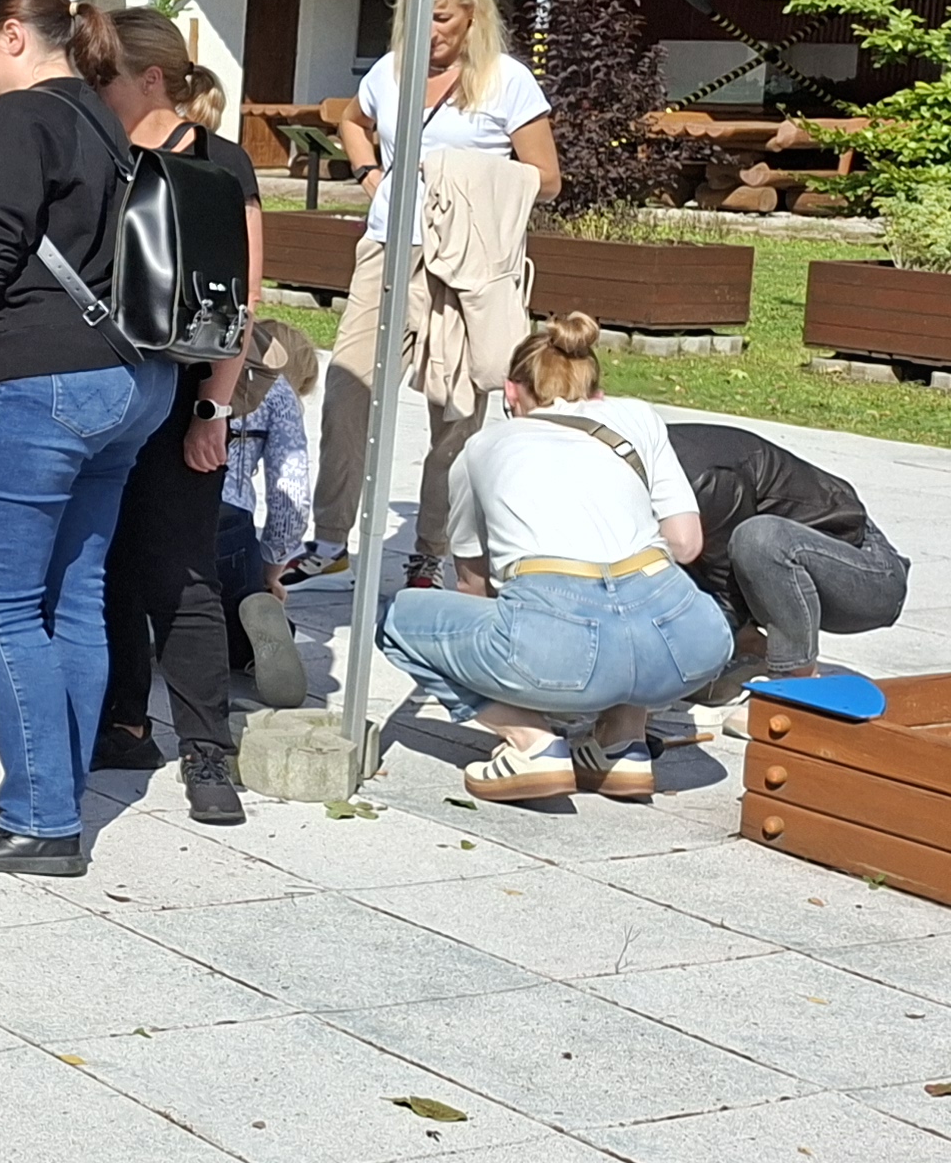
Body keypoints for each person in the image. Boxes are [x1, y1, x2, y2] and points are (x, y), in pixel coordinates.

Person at [0, 0, 171, 876]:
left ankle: (41, 817)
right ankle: (51, 780)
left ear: (13, 35)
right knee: (75, 597)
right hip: (126, 379)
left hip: (34, 384)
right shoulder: (103, 114)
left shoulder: (17, 120)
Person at [378, 312, 731, 801]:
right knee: (635, 589)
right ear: (595, 391)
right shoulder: (637, 417)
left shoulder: (481, 447)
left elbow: (471, 588)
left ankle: (531, 742)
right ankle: (621, 742)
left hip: (560, 636)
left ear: (511, 392)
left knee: (396, 621)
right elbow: (687, 543)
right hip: (691, 644)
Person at [301, 0, 559, 588]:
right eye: (419, 17)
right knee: (349, 385)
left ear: (472, 14)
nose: (430, 31)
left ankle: (431, 550)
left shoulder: (507, 81)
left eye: (441, 18)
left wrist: (460, 179)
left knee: (456, 408)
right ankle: (331, 536)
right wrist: (370, 174)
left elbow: (546, 179)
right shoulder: (392, 71)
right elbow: (351, 120)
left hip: (466, 261)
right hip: (388, 247)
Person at [90, 8, 259, 825]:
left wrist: (212, 411)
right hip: (102, 386)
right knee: (108, 561)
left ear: (151, 78)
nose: (93, 89)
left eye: (104, 76)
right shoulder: (98, 151)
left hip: (185, 390)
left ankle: (206, 747)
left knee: (181, 571)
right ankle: (123, 722)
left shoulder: (221, 164)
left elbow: (241, 301)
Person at [671, 420, 908, 700]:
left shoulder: (708, 480)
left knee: (757, 538)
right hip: (769, 566)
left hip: (867, 570)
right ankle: (751, 653)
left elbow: (727, 594)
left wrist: (674, 664)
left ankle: (795, 678)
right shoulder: (648, 467)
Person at [218, 317, 319, 710]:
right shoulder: (277, 392)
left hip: (160, 511)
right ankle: (250, 639)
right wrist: (272, 567)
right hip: (229, 521)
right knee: (237, 600)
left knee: (173, 597)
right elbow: (291, 491)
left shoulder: (201, 370)